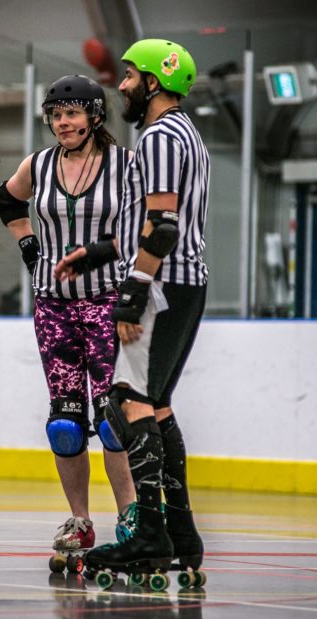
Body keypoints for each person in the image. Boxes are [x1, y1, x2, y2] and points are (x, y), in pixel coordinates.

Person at [56, 39, 209, 581]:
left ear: (154, 81)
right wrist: (98, 251)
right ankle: (182, 532)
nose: (121, 85)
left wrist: (134, 290)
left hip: (164, 285)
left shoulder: (160, 137)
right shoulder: (182, 134)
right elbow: (151, 226)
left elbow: (163, 226)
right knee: (158, 403)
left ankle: (148, 532)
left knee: (127, 400)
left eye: (129, 75)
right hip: (184, 281)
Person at [0, 75, 136, 568]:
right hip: (53, 306)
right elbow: (6, 201)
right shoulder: (39, 164)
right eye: (56, 115)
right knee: (65, 424)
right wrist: (29, 246)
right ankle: (80, 520)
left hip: (107, 302)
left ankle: (131, 517)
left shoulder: (125, 166)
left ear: (95, 116)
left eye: (72, 113)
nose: (63, 122)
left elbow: (146, 226)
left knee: (113, 420)